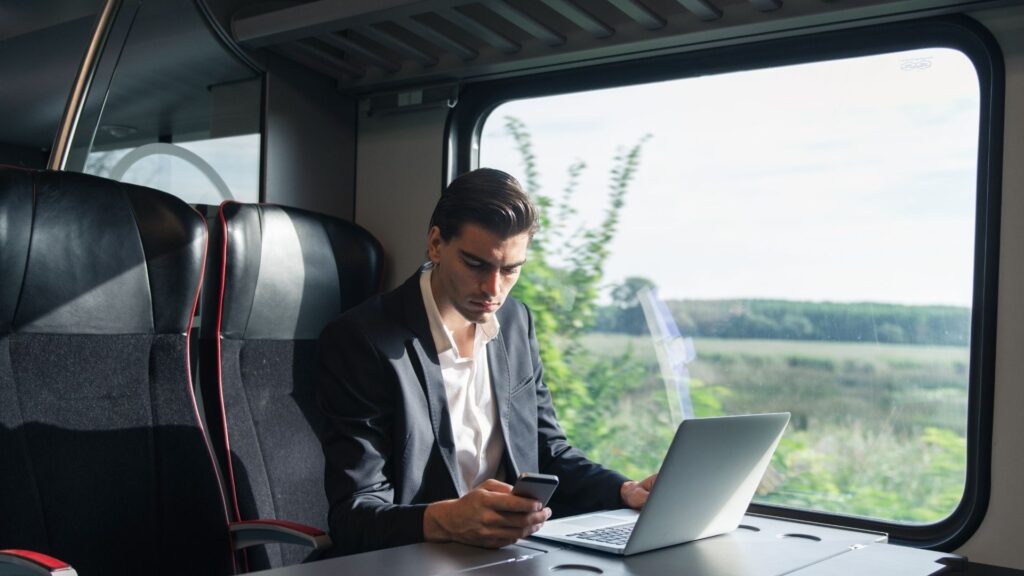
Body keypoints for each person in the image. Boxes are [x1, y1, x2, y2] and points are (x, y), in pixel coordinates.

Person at [317, 168, 657, 555]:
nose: (494, 289)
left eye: (511, 269)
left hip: (511, 553)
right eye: (476, 264)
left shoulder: (515, 322)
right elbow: (353, 514)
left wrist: (623, 490)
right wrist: (447, 519)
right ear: (435, 244)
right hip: (416, 557)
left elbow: (548, 450)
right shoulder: (363, 340)